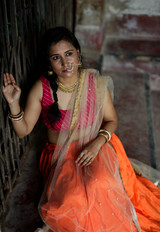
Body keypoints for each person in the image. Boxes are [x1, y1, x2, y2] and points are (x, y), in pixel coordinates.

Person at [2, 27, 160, 232]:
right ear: (49, 62)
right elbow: (23, 131)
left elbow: (111, 120)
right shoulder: (42, 88)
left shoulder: (95, 83)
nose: (65, 62)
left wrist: (96, 144)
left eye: (69, 54)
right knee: (72, 199)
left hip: (96, 145)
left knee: (101, 185)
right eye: (56, 57)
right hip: (59, 156)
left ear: (78, 53)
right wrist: (14, 104)